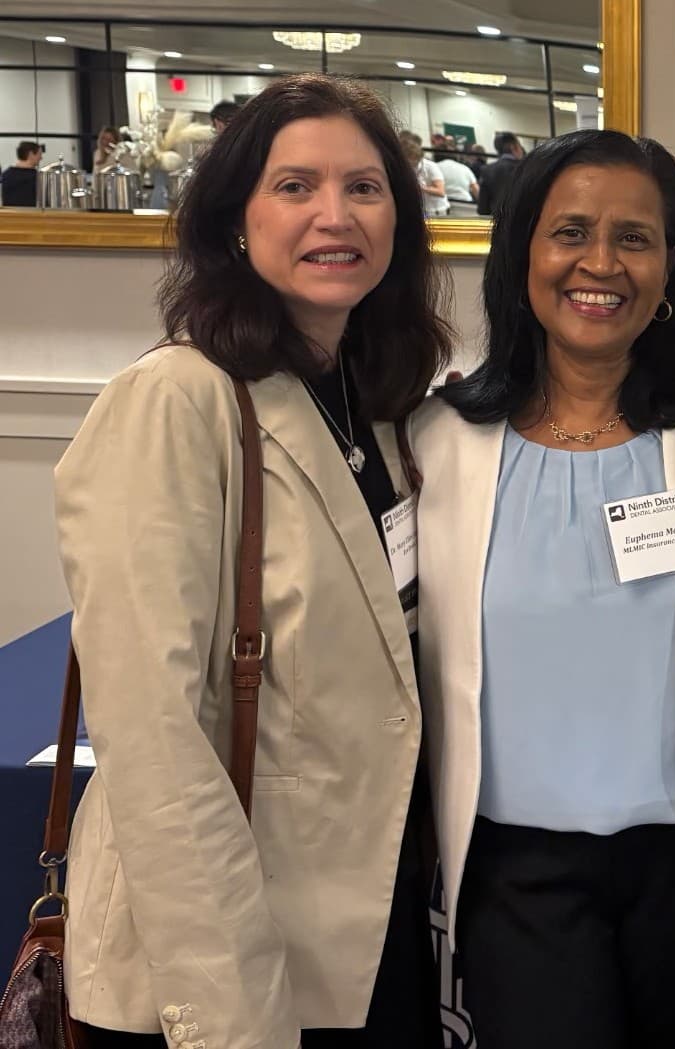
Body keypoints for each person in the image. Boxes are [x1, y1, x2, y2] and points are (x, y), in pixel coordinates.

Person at [53, 73, 452, 1049]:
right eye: (295, 186)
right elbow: (152, 738)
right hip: (225, 960)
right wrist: (227, 1008)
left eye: (365, 187)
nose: (335, 215)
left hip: (363, 933)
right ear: (236, 219)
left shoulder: (384, 404)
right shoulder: (176, 401)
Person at [411, 128, 675, 1049]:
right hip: (514, 874)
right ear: (523, 248)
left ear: (671, 267)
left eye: (635, 238)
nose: (599, 264)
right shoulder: (438, 441)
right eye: (569, 231)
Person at [475, 130, 523, 216]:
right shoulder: (526, 169)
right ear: (513, 147)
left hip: (496, 223)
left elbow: (482, 209)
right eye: (520, 146)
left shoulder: (487, 170)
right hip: (522, 223)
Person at [1, 140, 42, 206]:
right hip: (32, 215)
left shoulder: (5, 175)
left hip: (8, 216)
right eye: (39, 154)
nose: (41, 158)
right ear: (31, 154)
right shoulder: (39, 178)